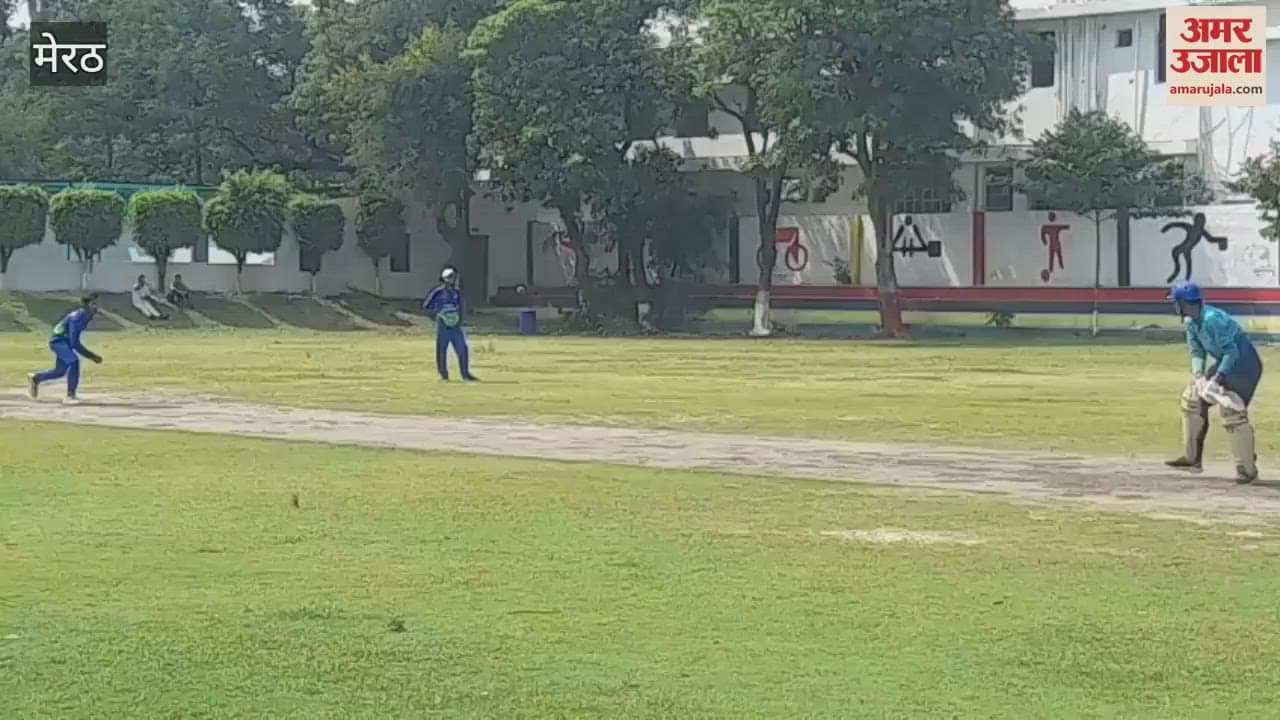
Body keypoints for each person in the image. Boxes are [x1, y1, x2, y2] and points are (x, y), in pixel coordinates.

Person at [1165, 281, 1262, 483]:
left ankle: (1247, 469)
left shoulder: (1213, 319)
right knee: (1192, 398)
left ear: (1185, 303)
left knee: (1232, 412)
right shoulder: (1191, 322)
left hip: (1245, 366)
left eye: (1176, 302)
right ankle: (1192, 458)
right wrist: (1199, 376)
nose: (1174, 307)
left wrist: (1217, 379)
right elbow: (1197, 351)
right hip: (1225, 363)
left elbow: (1232, 352)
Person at [28, 293, 104, 405]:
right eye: (94, 303)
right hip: (58, 342)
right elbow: (74, 342)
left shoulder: (87, 314)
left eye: (98, 303)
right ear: (86, 305)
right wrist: (91, 356)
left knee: (59, 372)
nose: (97, 306)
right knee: (74, 361)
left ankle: (36, 378)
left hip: (65, 342)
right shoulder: (78, 317)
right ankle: (70, 395)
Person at [422, 266, 478, 382]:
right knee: (442, 350)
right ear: (444, 279)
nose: (451, 279)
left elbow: (462, 307)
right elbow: (426, 306)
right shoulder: (438, 292)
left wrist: (460, 319)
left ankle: (465, 374)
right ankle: (444, 375)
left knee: (462, 349)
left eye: (453, 277)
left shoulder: (457, 293)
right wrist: (437, 315)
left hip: (455, 326)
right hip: (443, 326)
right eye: (449, 277)